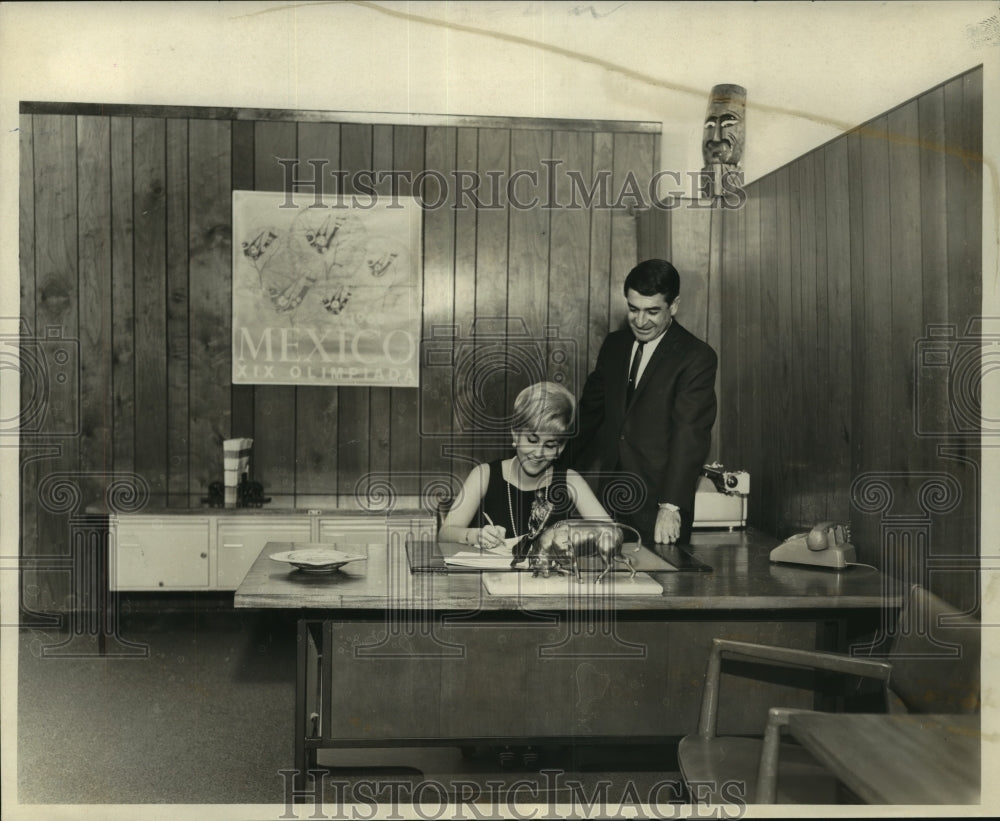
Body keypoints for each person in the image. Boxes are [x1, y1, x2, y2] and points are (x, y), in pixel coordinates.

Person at [571, 259, 717, 545]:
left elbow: (690, 433)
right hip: (609, 499)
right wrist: (550, 467)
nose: (640, 321)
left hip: (659, 506)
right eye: (633, 309)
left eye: (652, 312)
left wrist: (670, 506)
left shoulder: (696, 357)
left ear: (673, 306)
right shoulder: (614, 345)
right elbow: (588, 414)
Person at [438, 381, 611, 551]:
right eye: (532, 440)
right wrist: (475, 535)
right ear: (515, 433)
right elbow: (445, 534)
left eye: (550, 445)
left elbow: (610, 532)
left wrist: (573, 534)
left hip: (551, 579)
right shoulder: (484, 475)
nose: (538, 453)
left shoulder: (570, 480)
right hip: (492, 579)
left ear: (561, 446)